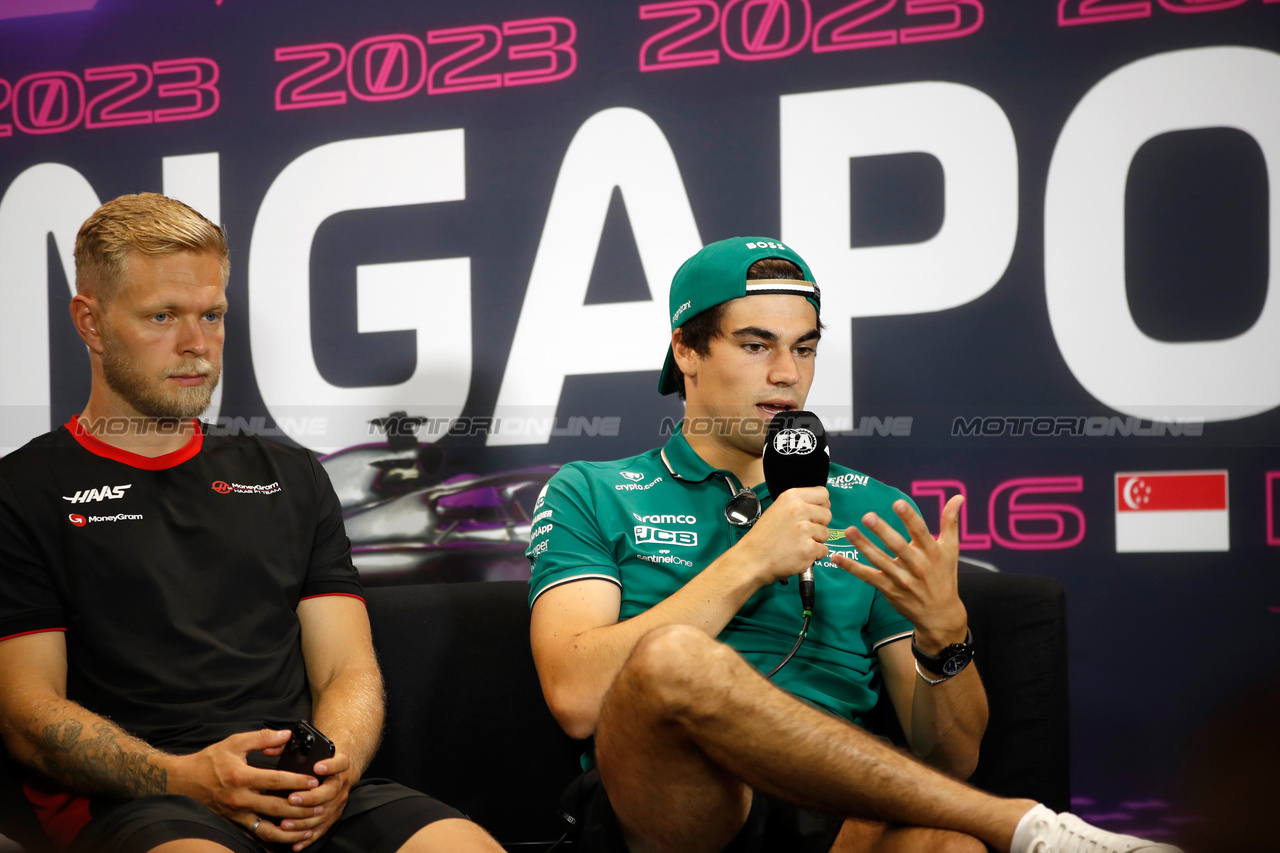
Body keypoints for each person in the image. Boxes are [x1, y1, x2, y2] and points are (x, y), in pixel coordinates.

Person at [526, 237, 1180, 853]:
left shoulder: (870, 505)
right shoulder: (593, 489)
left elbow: (951, 756)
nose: (787, 374)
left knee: (952, 847)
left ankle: (996, 828)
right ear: (687, 351)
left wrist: (945, 634)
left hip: (833, 808)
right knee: (670, 657)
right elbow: (578, 698)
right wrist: (753, 559)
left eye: (805, 348)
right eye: (757, 346)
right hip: (678, 805)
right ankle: (1019, 823)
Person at [0, 193, 502, 853]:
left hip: (306, 795)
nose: (197, 345)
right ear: (89, 323)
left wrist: (334, 768)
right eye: (163, 316)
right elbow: (29, 715)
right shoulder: (23, 490)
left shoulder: (291, 475)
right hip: (145, 802)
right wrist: (184, 776)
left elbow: (348, 669)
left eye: (212, 315)